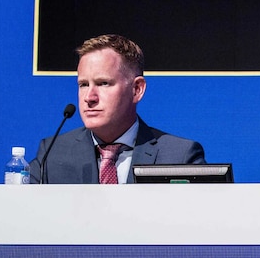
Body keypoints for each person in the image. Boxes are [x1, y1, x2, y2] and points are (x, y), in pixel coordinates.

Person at [29, 34, 206, 183]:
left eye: (103, 83)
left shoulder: (179, 156)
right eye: (83, 84)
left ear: (137, 89)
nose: (89, 97)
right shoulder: (52, 154)